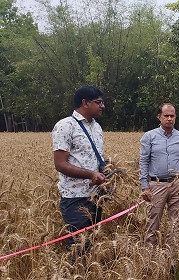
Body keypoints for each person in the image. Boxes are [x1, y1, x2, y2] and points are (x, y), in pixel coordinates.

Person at [51, 85, 106, 256]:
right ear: (85, 103)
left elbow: (92, 158)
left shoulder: (96, 127)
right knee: (77, 245)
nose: (103, 106)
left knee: (91, 241)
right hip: (75, 198)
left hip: (96, 196)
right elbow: (60, 164)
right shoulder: (65, 126)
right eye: (99, 102)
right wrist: (91, 174)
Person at [139, 103, 179, 255]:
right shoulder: (149, 136)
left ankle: (171, 258)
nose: (169, 119)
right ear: (159, 117)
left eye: (172, 116)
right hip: (156, 185)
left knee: (175, 222)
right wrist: (145, 186)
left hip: (176, 184)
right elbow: (143, 161)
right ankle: (150, 258)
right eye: (166, 116)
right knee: (153, 221)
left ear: (175, 117)